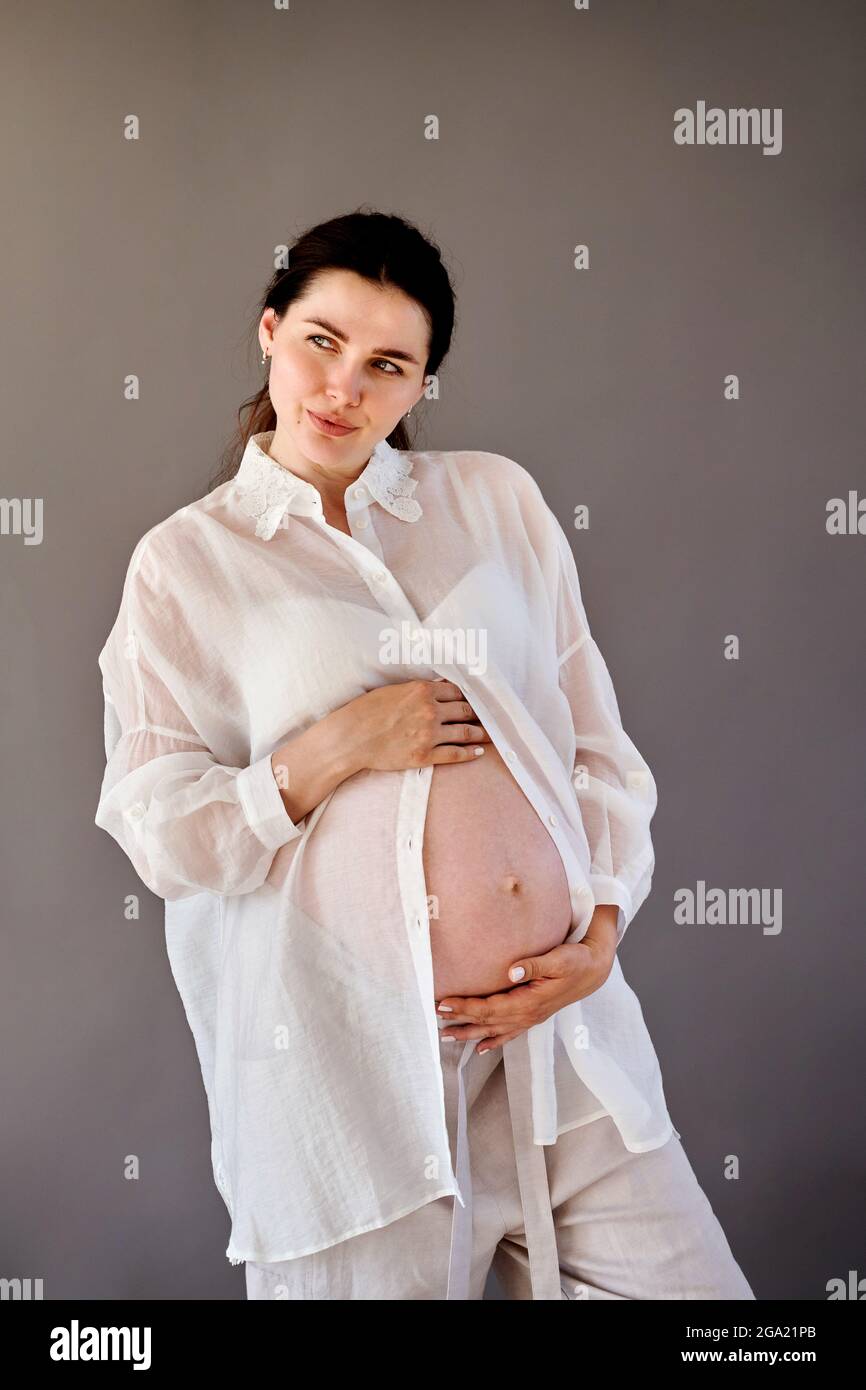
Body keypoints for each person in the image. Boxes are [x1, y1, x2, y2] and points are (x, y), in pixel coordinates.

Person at [94, 208, 754, 1300]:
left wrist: (598, 925)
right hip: (351, 1079)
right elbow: (163, 831)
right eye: (320, 341)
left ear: (418, 386)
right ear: (269, 330)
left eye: (386, 364)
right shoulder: (186, 564)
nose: (343, 386)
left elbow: (593, 744)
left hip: (561, 1046)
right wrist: (327, 752)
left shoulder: (494, 500)